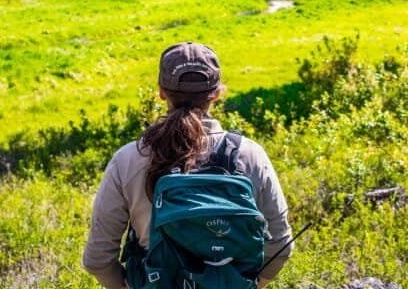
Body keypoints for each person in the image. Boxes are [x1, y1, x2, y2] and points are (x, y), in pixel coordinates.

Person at [83, 41, 293, 288]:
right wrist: (252, 283)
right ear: (216, 93)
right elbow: (280, 243)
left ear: (162, 92)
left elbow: (97, 259)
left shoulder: (128, 159)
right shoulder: (251, 155)